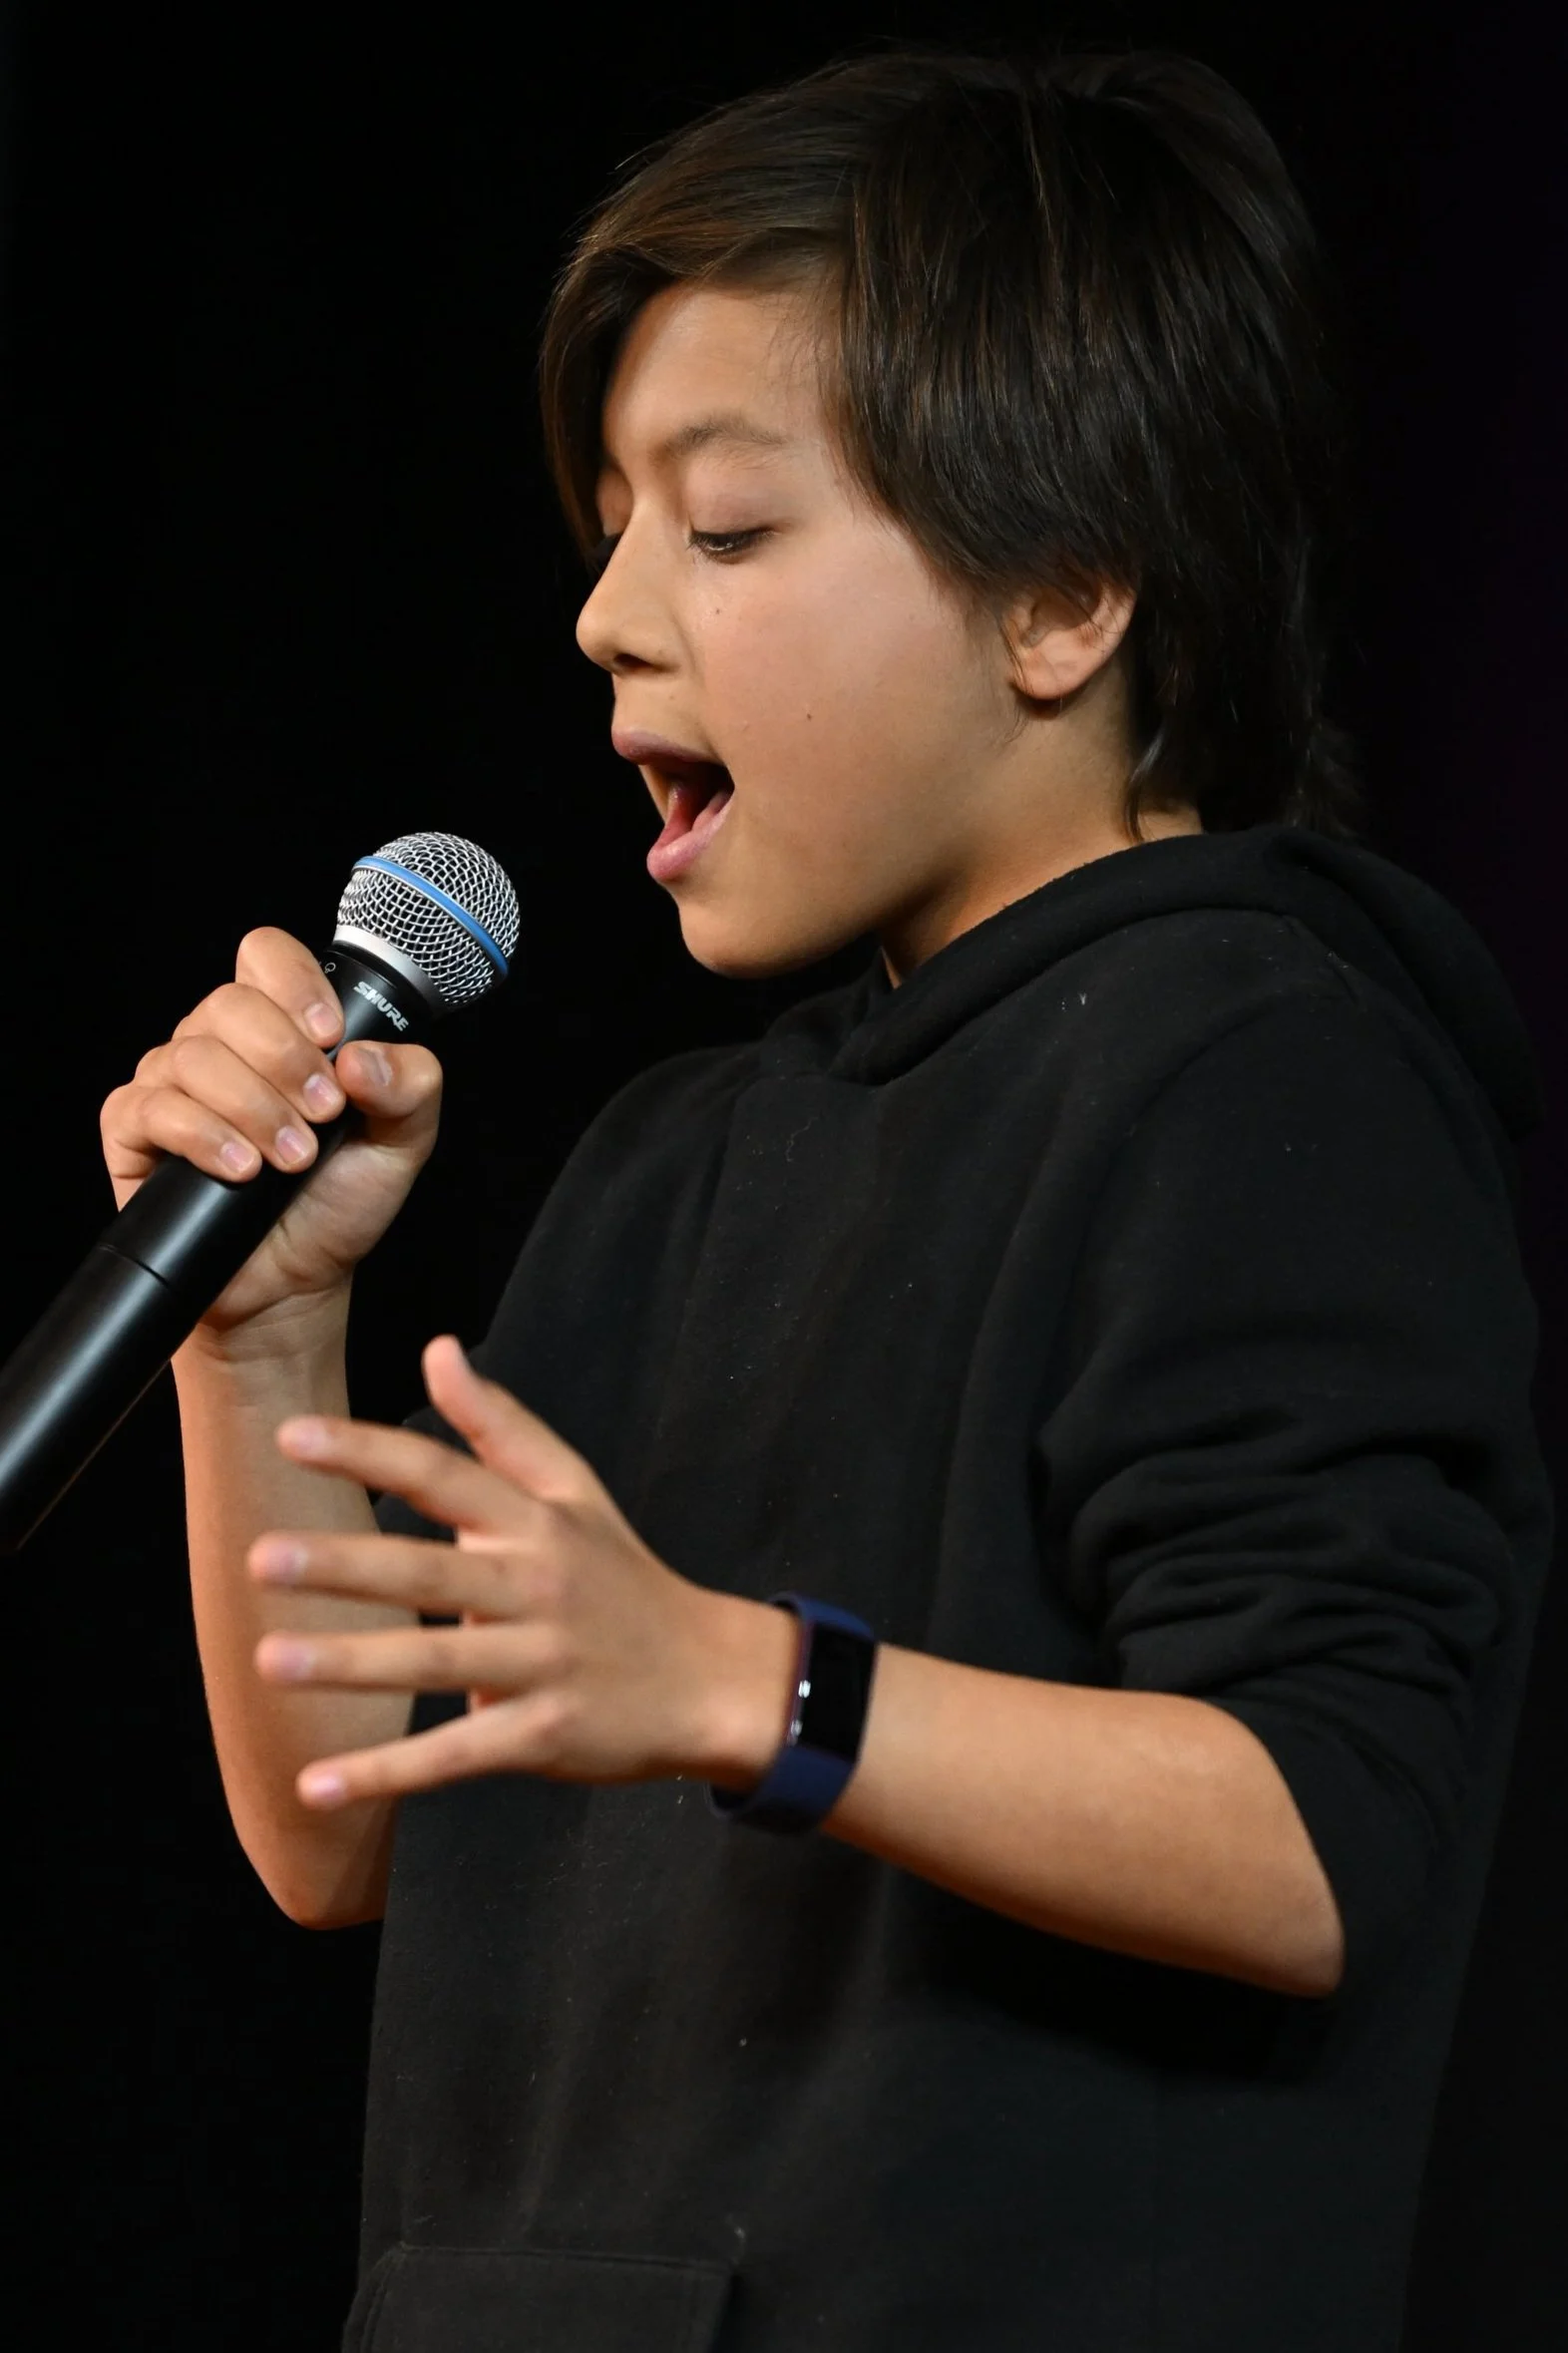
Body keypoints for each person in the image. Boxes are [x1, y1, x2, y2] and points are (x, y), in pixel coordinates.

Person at [100, 47, 1553, 2353]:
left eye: (726, 527)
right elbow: (346, 1826)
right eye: (607, 528)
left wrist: (729, 1680)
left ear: (1066, 591)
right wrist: (256, 1337)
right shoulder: (673, 1157)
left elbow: (1324, 1833)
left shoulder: (1260, 1060)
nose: (603, 616)